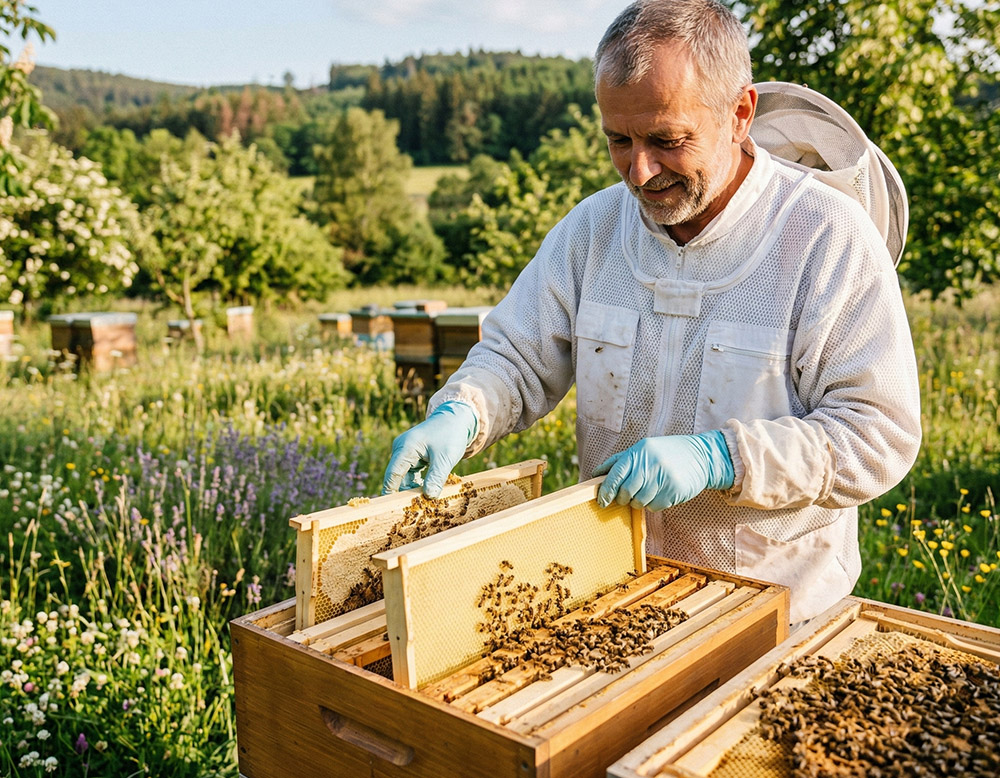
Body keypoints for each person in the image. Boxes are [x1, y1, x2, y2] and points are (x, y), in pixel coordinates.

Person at [382, 0, 921, 625]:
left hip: (778, 607)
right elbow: (518, 356)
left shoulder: (827, 238)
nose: (639, 170)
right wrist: (463, 410)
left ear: (739, 113)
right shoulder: (592, 230)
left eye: (667, 140)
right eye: (619, 139)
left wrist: (723, 458)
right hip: (619, 594)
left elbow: (878, 434)